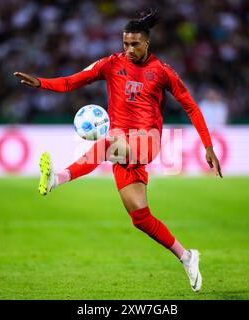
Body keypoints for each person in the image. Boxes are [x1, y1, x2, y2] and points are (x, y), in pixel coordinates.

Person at [14, 9, 222, 293]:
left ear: (147, 43)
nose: (129, 49)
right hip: (122, 147)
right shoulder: (110, 65)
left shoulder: (162, 71)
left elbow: (191, 106)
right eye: (125, 43)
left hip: (146, 141)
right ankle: (187, 256)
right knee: (140, 217)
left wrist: (208, 145)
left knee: (109, 142)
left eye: (135, 44)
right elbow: (73, 81)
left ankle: (57, 178)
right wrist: (42, 83)